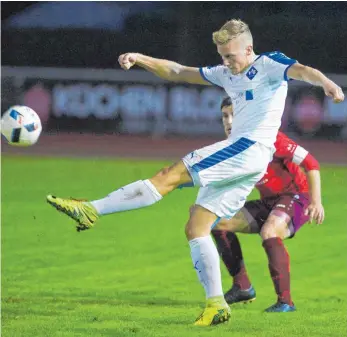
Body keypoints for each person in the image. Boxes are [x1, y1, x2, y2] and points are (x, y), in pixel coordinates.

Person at [46, 19, 344, 326]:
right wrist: (140, 58)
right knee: (197, 226)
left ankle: (91, 210)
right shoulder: (227, 73)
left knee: (169, 175)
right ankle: (216, 305)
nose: (226, 62)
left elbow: (303, 71)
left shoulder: (269, 64)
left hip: (248, 149)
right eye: (222, 56)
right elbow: (177, 71)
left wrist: (328, 84)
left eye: (231, 56)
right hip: (248, 162)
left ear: (249, 49)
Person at [209, 96, 323, 312]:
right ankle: (242, 287)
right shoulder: (233, 148)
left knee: (269, 231)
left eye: (236, 115)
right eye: (225, 116)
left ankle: (286, 302)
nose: (230, 121)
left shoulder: (271, 139)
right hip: (269, 202)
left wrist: (316, 202)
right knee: (219, 223)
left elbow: (311, 163)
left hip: (296, 198)